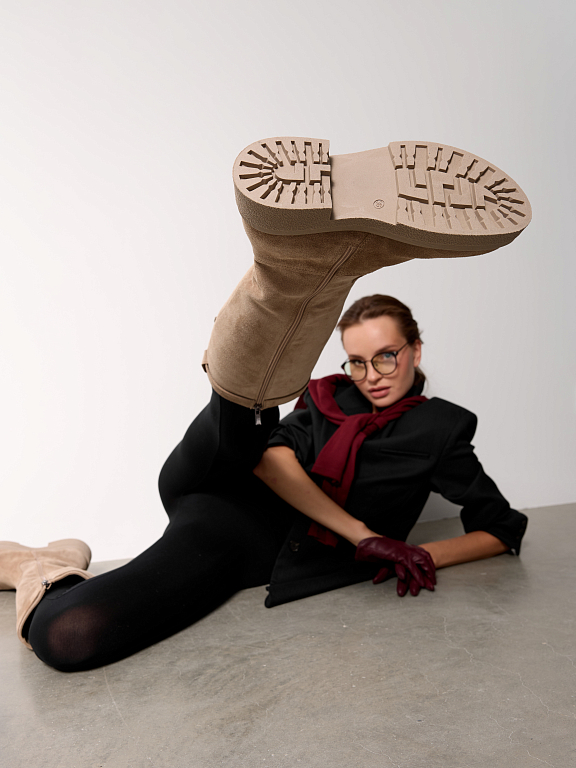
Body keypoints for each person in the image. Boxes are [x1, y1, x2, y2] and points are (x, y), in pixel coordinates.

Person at [0, 137, 531, 672]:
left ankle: (41, 565)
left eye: (386, 357)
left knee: (67, 635)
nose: (371, 376)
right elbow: (271, 461)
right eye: (357, 361)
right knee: (247, 419)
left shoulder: (441, 427)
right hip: (218, 464)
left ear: (416, 350)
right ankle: (295, 265)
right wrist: (367, 536)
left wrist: (418, 553)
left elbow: (501, 526)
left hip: (236, 529)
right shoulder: (331, 395)